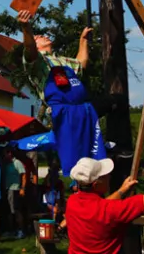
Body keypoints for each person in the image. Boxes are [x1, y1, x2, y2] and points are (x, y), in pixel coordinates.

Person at [18, 10, 106, 176]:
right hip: (63, 111)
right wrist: (26, 28)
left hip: (84, 109)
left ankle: (111, 151)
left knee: (91, 149)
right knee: (73, 156)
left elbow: (81, 63)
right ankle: (75, 184)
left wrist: (83, 41)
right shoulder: (36, 62)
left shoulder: (63, 60)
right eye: (40, 36)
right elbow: (29, 47)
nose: (45, 36)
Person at [64, 140, 144, 254]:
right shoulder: (112, 210)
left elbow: (100, 208)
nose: (109, 177)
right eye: (104, 176)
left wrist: (121, 191)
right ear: (96, 184)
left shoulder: (72, 203)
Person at [3, 150, 28, 239]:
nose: (5, 155)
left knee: (17, 210)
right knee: (10, 211)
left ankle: (21, 230)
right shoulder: (7, 164)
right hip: (8, 189)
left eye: (6, 153)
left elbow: (23, 175)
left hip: (15, 189)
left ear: (10, 153)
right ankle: (12, 230)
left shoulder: (17, 162)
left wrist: (22, 188)